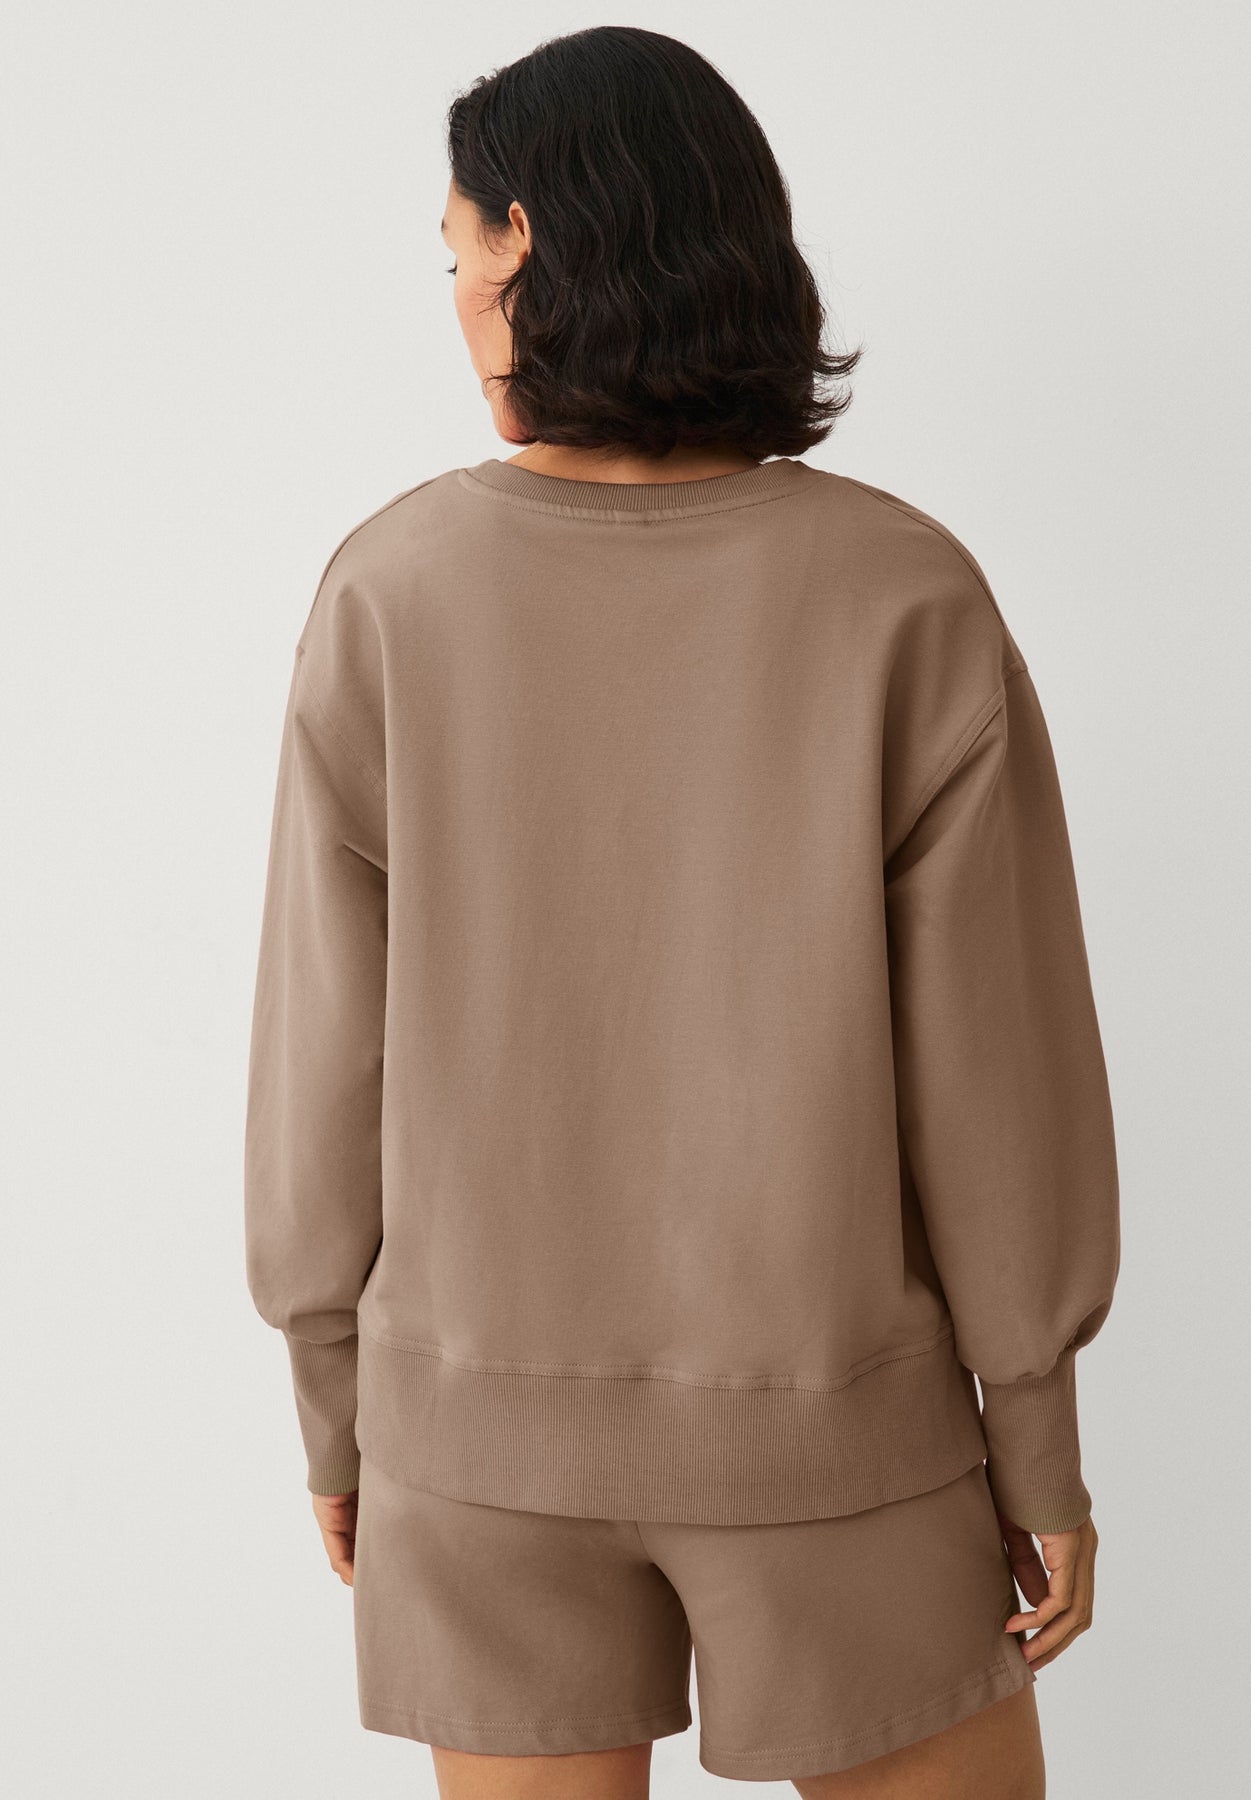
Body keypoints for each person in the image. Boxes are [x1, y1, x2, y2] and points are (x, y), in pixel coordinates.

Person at [243, 25, 1120, 1800]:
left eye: (456, 254)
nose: (456, 302)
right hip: (841, 1445)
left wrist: (338, 1402)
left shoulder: (392, 593)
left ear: (528, 244)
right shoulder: (904, 596)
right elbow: (1000, 1085)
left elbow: (322, 1063)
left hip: (473, 1453)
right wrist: (1035, 1444)